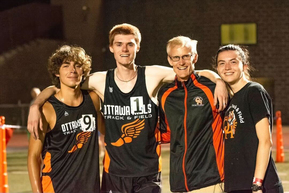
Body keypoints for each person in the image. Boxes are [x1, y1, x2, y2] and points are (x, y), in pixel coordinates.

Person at [27, 23, 228, 193]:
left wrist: (218, 79)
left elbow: (190, 70)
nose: (124, 49)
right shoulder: (100, 80)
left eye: (130, 44)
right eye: (119, 44)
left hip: (148, 172)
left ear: (138, 47)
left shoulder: (152, 75)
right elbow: (63, 84)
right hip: (114, 173)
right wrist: (36, 104)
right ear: (112, 47)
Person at [27, 45, 105, 193]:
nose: (72, 70)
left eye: (77, 65)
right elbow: (34, 156)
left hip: (90, 187)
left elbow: (106, 129)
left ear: (84, 70)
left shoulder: (93, 99)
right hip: (57, 186)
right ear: (57, 72)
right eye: (66, 65)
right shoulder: (47, 110)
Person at [158, 36, 224, 193]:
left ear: (195, 57)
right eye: (176, 57)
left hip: (210, 180)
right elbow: (166, 133)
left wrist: (219, 80)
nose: (181, 62)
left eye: (186, 56)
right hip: (179, 182)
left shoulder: (212, 88)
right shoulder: (165, 94)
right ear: (169, 60)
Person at [215, 44, 283, 193]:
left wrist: (257, 184)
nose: (227, 67)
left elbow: (265, 141)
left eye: (233, 62)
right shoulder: (226, 98)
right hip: (235, 185)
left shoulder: (253, 91)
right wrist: (218, 81)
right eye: (222, 63)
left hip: (260, 185)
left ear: (244, 66)